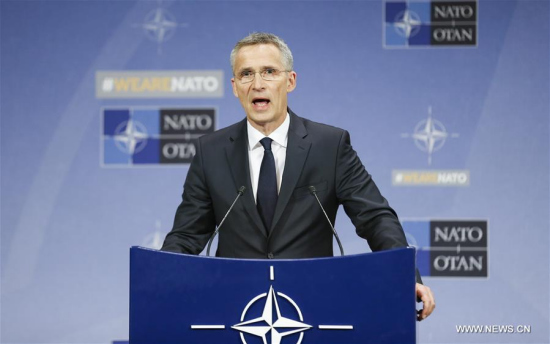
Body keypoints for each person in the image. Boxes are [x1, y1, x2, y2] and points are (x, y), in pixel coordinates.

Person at [161, 32, 435, 320]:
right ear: (234, 87)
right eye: (246, 74)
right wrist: (159, 277)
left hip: (313, 306)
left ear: (290, 81)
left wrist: (406, 275)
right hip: (234, 310)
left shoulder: (330, 145)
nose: (257, 84)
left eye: (269, 72)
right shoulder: (211, 151)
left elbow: (376, 218)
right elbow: (187, 235)